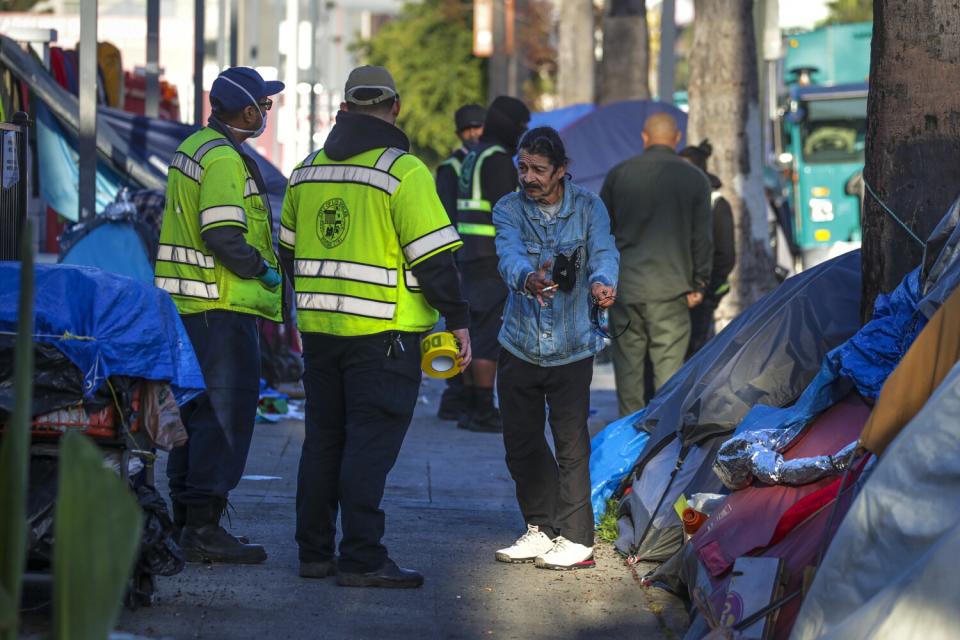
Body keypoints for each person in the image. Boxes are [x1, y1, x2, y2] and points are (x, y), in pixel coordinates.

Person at [279, 66, 472, 588]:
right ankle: (362, 558)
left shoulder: (307, 170)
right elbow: (434, 263)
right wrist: (459, 322)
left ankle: (313, 554)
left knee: (323, 440)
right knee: (368, 446)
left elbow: (288, 253)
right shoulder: (403, 172)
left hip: (318, 334)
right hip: (384, 338)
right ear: (396, 107)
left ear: (343, 109)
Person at [155, 66, 284, 564]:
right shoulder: (226, 160)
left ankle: (186, 522)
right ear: (248, 111)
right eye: (265, 106)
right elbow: (224, 234)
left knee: (194, 416)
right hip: (220, 305)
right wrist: (263, 272)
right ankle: (204, 529)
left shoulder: (194, 147)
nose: (267, 114)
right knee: (223, 419)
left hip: (189, 308)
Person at [492, 127, 619, 570]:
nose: (529, 177)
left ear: (561, 170)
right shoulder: (508, 208)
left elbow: (604, 252)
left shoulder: (588, 207)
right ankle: (540, 528)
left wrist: (604, 283)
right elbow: (508, 254)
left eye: (539, 170)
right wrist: (527, 277)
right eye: (523, 168)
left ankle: (577, 538)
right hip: (520, 342)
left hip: (571, 346)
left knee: (570, 443)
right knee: (521, 442)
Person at [600, 112, 712, 416]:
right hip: (672, 289)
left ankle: (628, 436)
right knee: (669, 373)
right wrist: (700, 281)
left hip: (625, 287)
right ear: (677, 138)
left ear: (644, 138)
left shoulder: (619, 174)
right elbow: (702, 237)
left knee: (628, 372)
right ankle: (661, 440)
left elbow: (600, 233)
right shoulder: (694, 179)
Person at [454, 96, 530, 432]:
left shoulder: (473, 155)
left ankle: (470, 405)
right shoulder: (498, 159)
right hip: (490, 257)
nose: (522, 134)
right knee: (486, 337)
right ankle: (483, 409)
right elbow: (507, 211)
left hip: (469, 254)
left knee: (472, 331)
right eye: (521, 127)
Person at [436, 103, 485, 421]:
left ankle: (463, 392)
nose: (473, 134)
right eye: (468, 130)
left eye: (478, 128)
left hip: (478, 258)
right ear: (459, 134)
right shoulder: (450, 167)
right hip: (458, 258)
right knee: (459, 326)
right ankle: (456, 392)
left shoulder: (487, 162)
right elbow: (444, 214)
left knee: (474, 327)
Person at [679, 140, 736, 357]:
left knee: (697, 352)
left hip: (702, 295)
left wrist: (707, 291)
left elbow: (726, 255)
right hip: (676, 293)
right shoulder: (675, 200)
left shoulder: (716, 203)